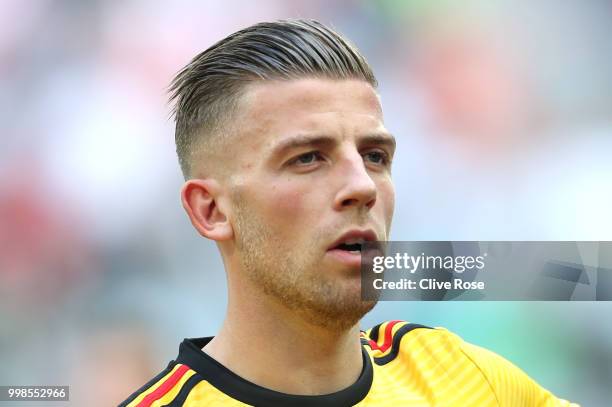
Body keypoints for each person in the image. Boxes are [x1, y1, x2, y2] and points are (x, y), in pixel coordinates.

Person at [119, 19, 577, 406]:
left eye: (375, 156)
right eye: (307, 158)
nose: (361, 186)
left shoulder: (468, 380)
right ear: (211, 211)